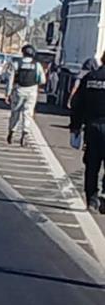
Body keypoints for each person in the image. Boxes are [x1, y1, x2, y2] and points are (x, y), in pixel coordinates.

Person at [69, 56, 105, 212]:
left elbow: (78, 104)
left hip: (92, 128)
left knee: (91, 165)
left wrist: (75, 126)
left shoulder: (90, 78)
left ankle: (91, 199)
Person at [5, 45, 46, 146]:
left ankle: (12, 131)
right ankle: (25, 133)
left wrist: (8, 93)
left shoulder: (17, 63)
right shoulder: (37, 65)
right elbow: (42, 80)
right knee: (28, 113)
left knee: (15, 112)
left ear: (23, 53)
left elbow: (10, 79)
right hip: (32, 91)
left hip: (19, 90)